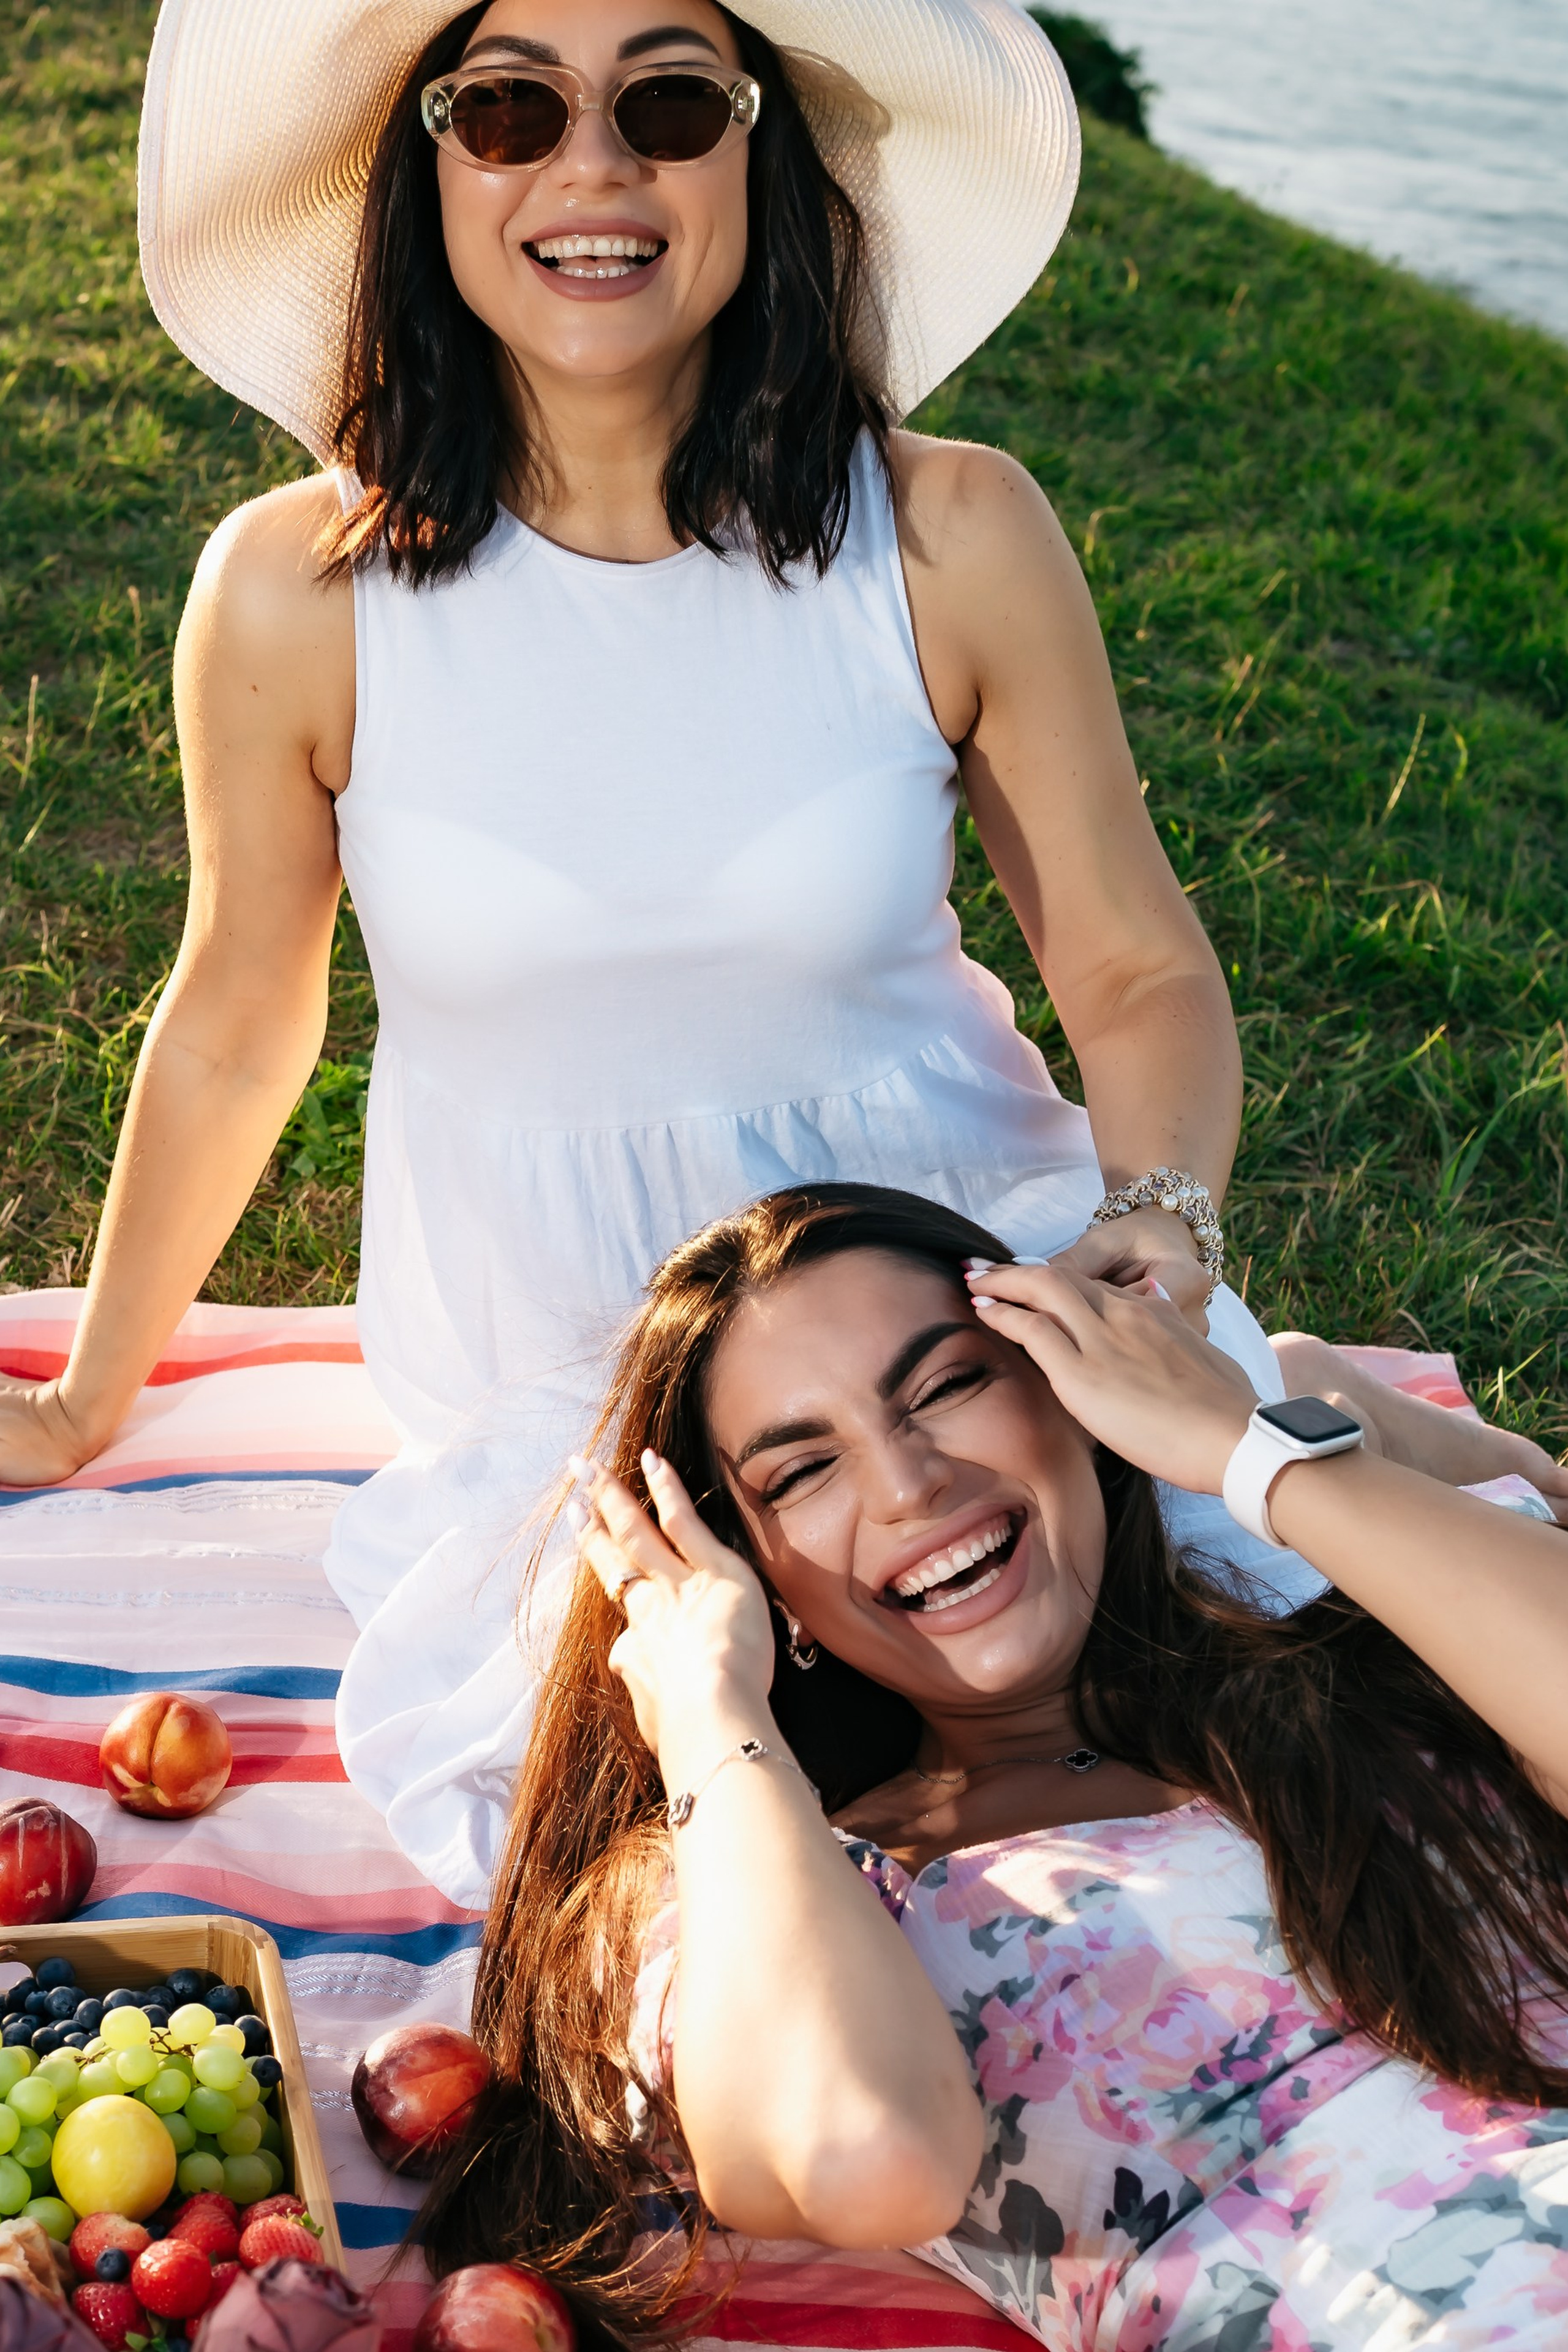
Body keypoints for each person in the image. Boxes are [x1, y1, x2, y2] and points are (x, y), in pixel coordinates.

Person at [0, 0, 1556, 1902]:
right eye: (508, 109)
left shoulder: (952, 530)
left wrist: (1164, 1221)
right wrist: (91, 1393)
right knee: (648, 1820)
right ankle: (1308, 1388)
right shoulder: (293, 589)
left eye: (668, 101)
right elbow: (240, 1015)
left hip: (962, 1297)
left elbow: (1135, 966)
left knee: (1341, 1699)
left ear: (759, 155)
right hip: (582, 1357)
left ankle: (1305, 1392)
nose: (592, 169)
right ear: (430, 169)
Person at [423, 1182, 1568, 2347]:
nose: (911, 1484)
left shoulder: (1360, 1658)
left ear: (1080, 1396)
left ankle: (1332, 1399)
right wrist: (712, 1711)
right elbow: (865, 2153)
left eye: (950, 1386)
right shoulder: (771, 1877)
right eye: (801, 1472)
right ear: (756, 1583)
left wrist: (1247, 1444)